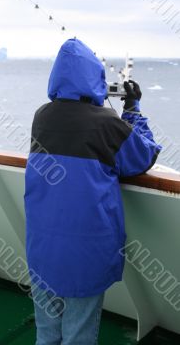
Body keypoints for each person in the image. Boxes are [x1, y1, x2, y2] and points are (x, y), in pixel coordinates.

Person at [23, 38, 162, 345]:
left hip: (43, 247)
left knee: (46, 334)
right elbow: (144, 156)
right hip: (85, 252)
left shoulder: (41, 117)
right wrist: (133, 110)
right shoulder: (105, 123)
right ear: (95, 78)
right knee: (78, 335)